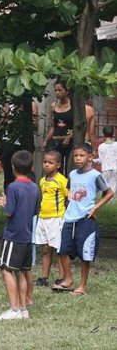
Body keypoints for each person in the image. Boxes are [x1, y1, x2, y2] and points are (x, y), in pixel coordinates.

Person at [52, 143, 113, 295]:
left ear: (90, 157)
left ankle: (82, 286)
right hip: (69, 218)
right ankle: (68, 279)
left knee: (85, 253)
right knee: (62, 250)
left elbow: (109, 193)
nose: (78, 159)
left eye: (82, 155)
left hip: (85, 219)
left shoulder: (95, 175)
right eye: (75, 156)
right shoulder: (72, 174)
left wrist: (95, 208)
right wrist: (68, 201)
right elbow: (69, 189)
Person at [0, 150, 40, 320]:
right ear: (31, 167)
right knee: (21, 271)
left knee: (6, 269)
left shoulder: (13, 187)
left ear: (13, 167)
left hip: (13, 236)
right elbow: (36, 210)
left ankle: (14, 309)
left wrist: (5, 203)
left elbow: (9, 212)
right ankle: (23, 309)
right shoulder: (34, 187)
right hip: (27, 235)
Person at [43, 79, 96, 170]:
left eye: (60, 90)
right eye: (55, 90)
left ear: (67, 91)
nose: (57, 93)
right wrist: (46, 141)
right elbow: (53, 126)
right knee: (54, 167)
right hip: (56, 140)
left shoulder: (74, 107)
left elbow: (79, 127)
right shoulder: (53, 106)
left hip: (71, 142)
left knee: (70, 167)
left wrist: (69, 137)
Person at [34, 149, 68, 287]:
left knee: (59, 249)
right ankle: (44, 277)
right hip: (43, 218)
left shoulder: (62, 180)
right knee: (46, 249)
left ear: (58, 165)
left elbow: (68, 198)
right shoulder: (42, 181)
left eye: (50, 162)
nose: (46, 165)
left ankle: (62, 277)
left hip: (56, 218)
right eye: (45, 162)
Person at [95, 126, 117, 196]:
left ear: (103, 134)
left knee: (106, 189)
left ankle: (106, 203)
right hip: (115, 169)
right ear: (113, 134)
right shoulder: (116, 145)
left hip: (105, 170)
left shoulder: (101, 146)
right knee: (114, 189)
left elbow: (100, 160)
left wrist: (92, 160)